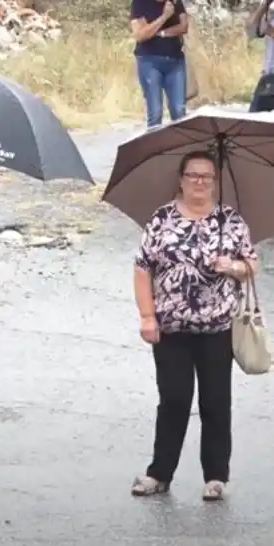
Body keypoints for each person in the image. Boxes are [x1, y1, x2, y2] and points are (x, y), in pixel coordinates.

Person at [130, 150, 258, 502]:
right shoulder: (161, 220)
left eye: (207, 176)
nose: (200, 182)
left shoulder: (230, 221)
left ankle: (216, 476)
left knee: (216, 402)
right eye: (193, 175)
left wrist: (232, 267)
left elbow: (251, 265)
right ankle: (160, 474)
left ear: (215, 183)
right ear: (181, 180)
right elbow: (143, 269)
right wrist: (147, 315)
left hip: (217, 329)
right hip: (171, 329)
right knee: (173, 400)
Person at [130, 0, 190, 128]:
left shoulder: (175, 2)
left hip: (175, 61)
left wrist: (161, 33)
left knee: (179, 110)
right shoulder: (140, 3)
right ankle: (154, 146)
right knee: (155, 112)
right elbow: (140, 35)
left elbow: (184, 26)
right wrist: (164, 17)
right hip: (149, 61)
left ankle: (179, 146)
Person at [246, 0, 274, 112]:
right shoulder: (271, 17)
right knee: (252, 120)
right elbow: (251, 28)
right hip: (268, 75)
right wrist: (264, 5)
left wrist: (270, 31)